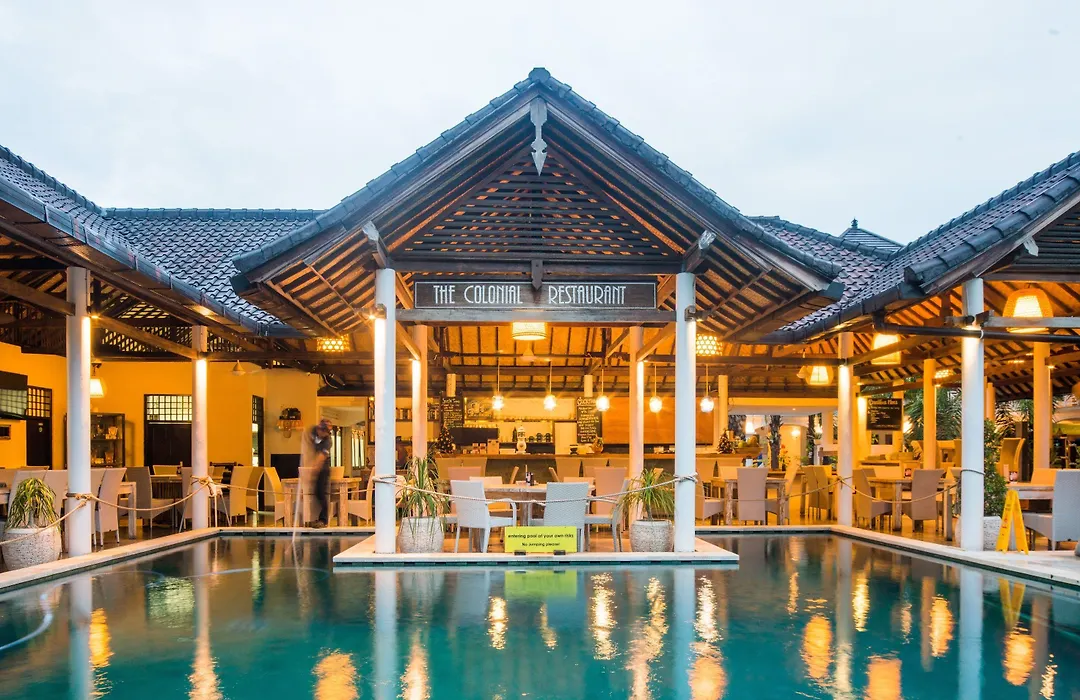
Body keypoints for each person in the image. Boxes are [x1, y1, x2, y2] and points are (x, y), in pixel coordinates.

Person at [304, 418, 333, 527]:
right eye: (324, 431)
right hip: (314, 464)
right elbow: (306, 435)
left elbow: (321, 457)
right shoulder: (313, 430)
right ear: (320, 429)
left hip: (324, 468)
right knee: (315, 492)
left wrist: (314, 469)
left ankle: (323, 520)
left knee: (321, 493)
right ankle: (311, 518)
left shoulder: (328, 441)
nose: (326, 434)